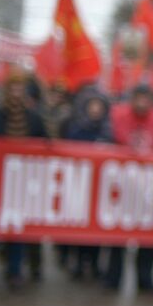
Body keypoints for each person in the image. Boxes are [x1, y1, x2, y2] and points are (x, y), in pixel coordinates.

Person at [105, 84, 153, 291]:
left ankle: (146, 278)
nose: (142, 103)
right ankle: (113, 278)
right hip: (123, 184)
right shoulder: (117, 116)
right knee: (118, 233)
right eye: (138, 98)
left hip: (149, 187)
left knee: (148, 233)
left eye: (146, 99)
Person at [0, 72, 47, 287]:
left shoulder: (34, 118)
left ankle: (14, 271)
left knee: (18, 229)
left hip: (22, 183)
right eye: (13, 89)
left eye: (20, 89)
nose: (16, 93)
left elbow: (46, 145)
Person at [64, 89, 113, 281]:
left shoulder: (107, 130)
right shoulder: (75, 127)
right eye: (92, 106)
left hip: (100, 187)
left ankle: (94, 263)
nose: (95, 110)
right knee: (79, 229)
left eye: (98, 106)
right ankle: (77, 262)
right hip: (79, 185)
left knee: (96, 230)